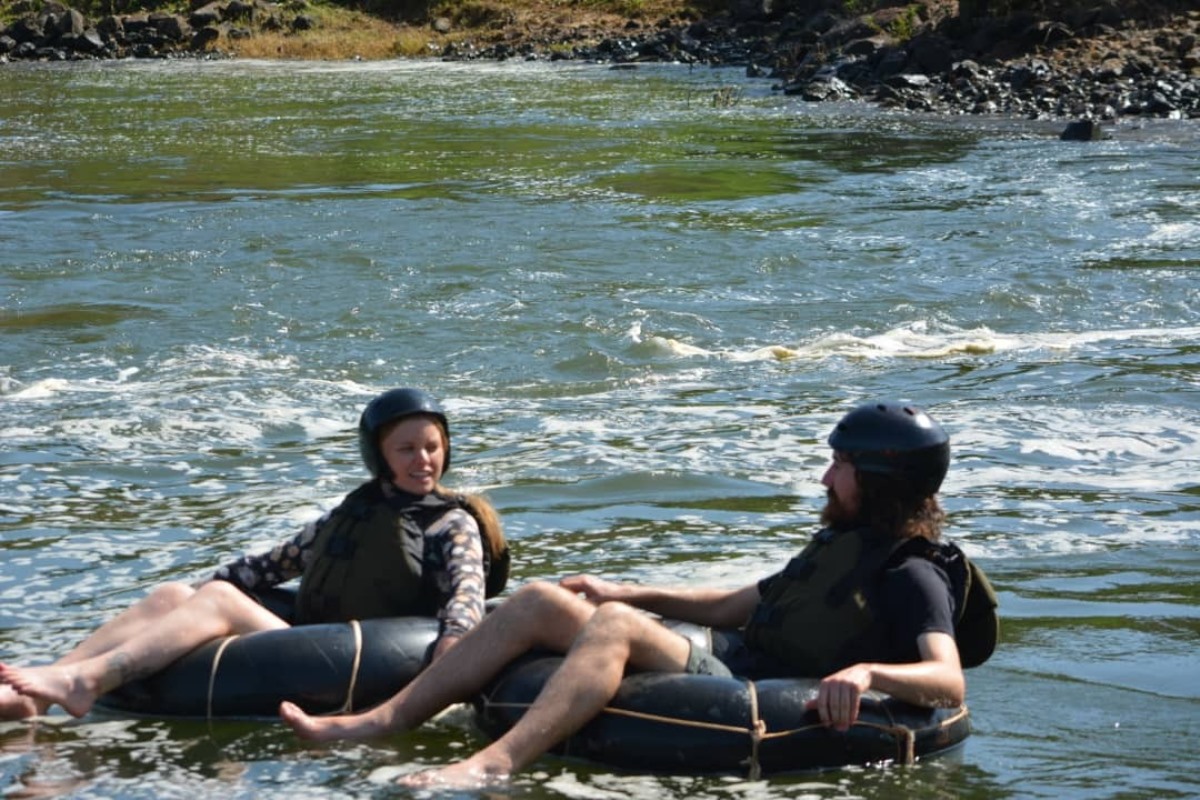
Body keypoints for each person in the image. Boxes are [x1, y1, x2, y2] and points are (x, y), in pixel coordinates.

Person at [278, 400, 997, 789]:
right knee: (534, 600)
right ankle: (377, 722)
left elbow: (945, 676)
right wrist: (621, 587)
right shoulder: (841, 543)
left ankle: (493, 765)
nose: (823, 479)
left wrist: (867, 674)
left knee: (615, 627)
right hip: (735, 662)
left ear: (878, 478)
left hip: (765, 691)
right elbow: (734, 606)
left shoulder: (912, 573)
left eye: (838, 466)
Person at [0, 387, 509, 721]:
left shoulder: (450, 522)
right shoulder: (357, 512)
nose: (424, 460)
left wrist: (452, 658)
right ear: (378, 455)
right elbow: (272, 565)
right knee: (174, 594)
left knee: (220, 600)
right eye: (407, 449)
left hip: (378, 656)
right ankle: (42, 692)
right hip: (317, 637)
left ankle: (87, 681)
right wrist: (187, 604)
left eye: (432, 447)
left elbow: (466, 596)